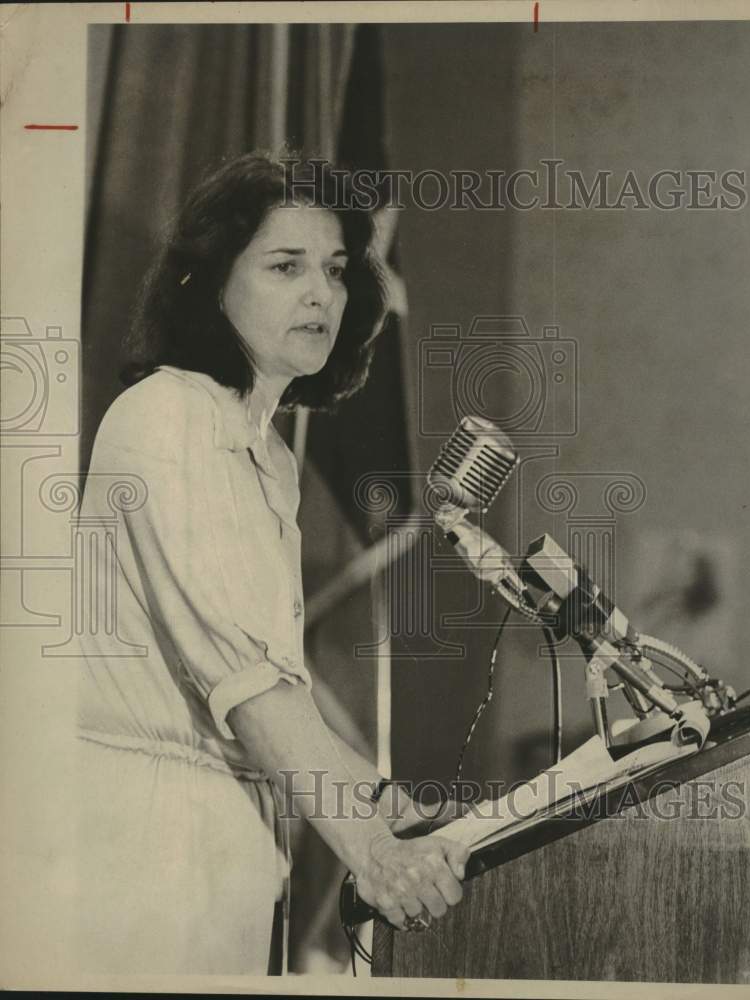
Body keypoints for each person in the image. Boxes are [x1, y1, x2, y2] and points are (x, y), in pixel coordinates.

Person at [75, 151, 469, 976]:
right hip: (141, 855)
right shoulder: (166, 418)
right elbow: (250, 687)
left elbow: (283, 695)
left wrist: (408, 821)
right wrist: (375, 846)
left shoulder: (263, 456)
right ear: (208, 283)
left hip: (226, 848)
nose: (322, 293)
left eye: (334, 269)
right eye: (285, 266)